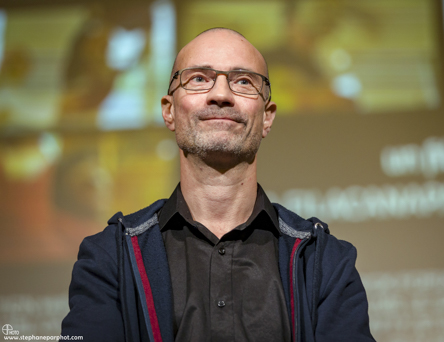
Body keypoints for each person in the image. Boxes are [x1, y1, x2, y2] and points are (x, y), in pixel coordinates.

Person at [60, 28, 375, 342]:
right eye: (198, 78)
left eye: (243, 81)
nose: (221, 95)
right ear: (168, 111)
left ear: (267, 117)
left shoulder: (324, 261)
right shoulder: (112, 257)